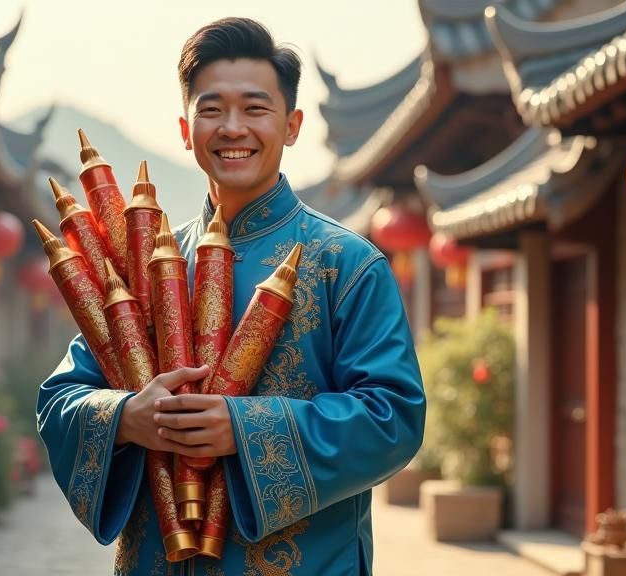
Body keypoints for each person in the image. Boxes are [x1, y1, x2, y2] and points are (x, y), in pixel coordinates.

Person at [38, 17, 425, 575]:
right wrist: (126, 417)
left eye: (255, 108)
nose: (232, 127)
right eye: (212, 109)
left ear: (291, 126)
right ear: (185, 127)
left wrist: (242, 429)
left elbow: (393, 418)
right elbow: (60, 400)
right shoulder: (148, 262)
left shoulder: (345, 264)